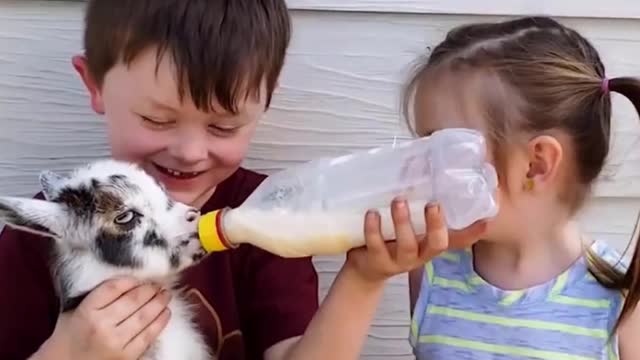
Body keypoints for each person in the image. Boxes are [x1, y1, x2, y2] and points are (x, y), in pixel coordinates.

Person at [0, 1, 486, 359]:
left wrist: (364, 277)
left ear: (265, 100)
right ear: (95, 86)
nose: (190, 151)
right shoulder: (43, 237)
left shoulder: (271, 220)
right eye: (157, 120)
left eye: (223, 127)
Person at [403, 16, 640, 359]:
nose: (422, 169)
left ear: (536, 164)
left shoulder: (620, 304)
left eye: (444, 148)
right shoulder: (433, 272)